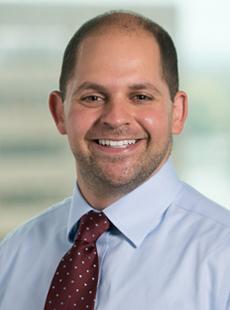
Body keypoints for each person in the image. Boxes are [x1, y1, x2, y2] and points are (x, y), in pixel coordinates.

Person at [0, 10, 230, 310]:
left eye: (141, 97)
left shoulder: (223, 258)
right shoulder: (12, 256)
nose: (116, 118)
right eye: (93, 97)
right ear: (59, 112)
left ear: (178, 112)